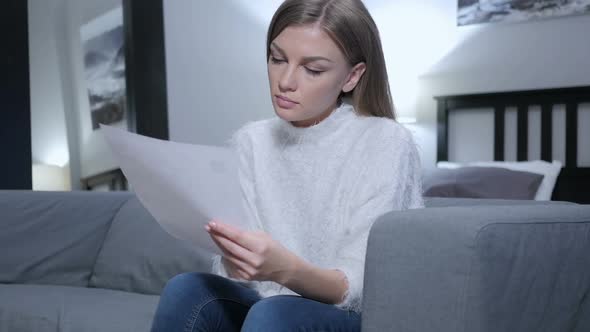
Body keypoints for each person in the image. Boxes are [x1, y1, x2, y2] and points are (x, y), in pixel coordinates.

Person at [150, 0, 424, 330]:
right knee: (187, 289)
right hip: (268, 305)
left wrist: (285, 269)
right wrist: (236, 259)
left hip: (349, 315)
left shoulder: (386, 142)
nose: (286, 80)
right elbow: (238, 275)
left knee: (274, 313)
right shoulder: (251, 141)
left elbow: (359, 288)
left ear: (352, 76)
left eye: (313, 69)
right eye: (277, 59)